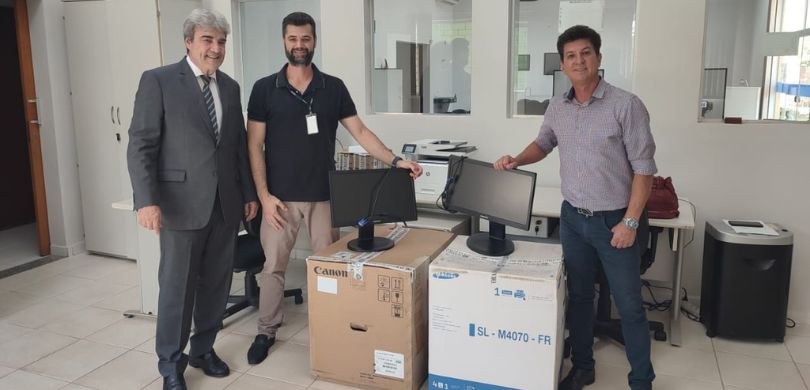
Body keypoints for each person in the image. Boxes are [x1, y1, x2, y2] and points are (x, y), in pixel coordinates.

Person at [244, 11, 422, 365]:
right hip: (279, 199)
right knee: (273, 267)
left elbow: (361, 132)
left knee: (330, 266)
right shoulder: (264, 89)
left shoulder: (333, 87)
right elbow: (254, 146)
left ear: (314, 41)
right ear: (284, 41)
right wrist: (264, 197)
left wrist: (395, 160)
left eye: (305, 39)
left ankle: (331, 326)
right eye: (293, 39)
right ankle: (266, 330)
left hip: (324, 196)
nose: (299, 45)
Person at [495, 25, 657, 390]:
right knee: (580, 298)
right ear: (563, 65)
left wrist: (630, 222)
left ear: (598, 58)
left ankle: (642, 381)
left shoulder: (625, 105)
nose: (578, 60)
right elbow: (544, 143)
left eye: (586, 53)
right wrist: (517, 160)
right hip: (574, 219)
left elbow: (644, 170)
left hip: (616, 220)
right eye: (571, 56)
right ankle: (583, 367)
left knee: (629, 306)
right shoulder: (558, 106)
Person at [126, 8, 258, 390]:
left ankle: (203, 349)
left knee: (216, 284)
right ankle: (170, 363)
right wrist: (147, 200)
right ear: (189, 41)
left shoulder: (230, 87)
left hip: (225, 205)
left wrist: (247, 194)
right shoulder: (160, 81)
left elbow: (235, 148)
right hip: (180, 206)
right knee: (177, 290)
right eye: (207, 40)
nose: (215, 49)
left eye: (220, 42)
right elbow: (141, 145)